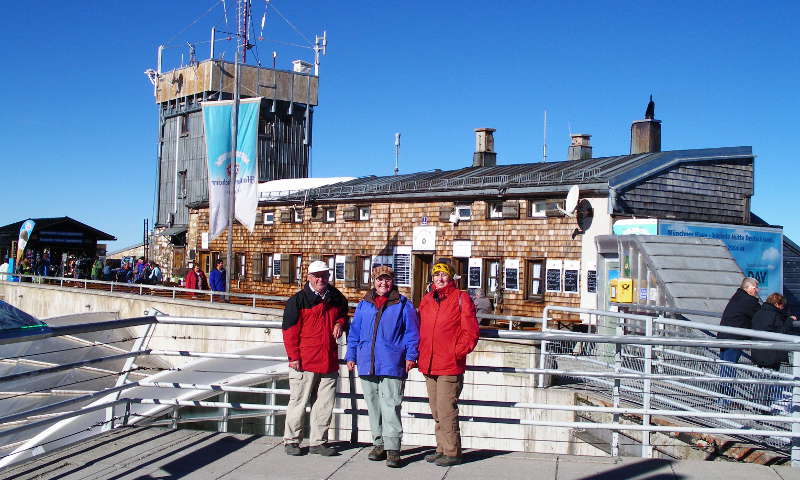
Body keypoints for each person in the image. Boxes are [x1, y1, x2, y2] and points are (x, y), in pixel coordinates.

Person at [346, 265, 419, 468]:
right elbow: (355, 333)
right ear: (374, 281)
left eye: (387, 279)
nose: (383, 283)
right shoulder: (364, 304)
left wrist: (411, 356)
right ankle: (379, 444)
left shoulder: (403, 304)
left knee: (391, 405)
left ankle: (393, 448)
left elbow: (412, 333)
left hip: (392, 361)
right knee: (373, 405)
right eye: (379, 279)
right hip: (367, 362)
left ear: (392, 281)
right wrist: (351, 354)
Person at [282, 260, 348, 457]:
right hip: (304, 361)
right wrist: (293, 357)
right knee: (298, 402)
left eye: (325, 275)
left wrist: (340, 322)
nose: (321, 279)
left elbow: (344, 314)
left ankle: (318, 441)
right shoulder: (298, 300)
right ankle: (292, 440)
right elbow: (289, 331)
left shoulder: (336, 297)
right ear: (309, 277)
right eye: (317, 275)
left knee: (324, 404)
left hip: (328, 359)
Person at [417, 262, 480, 467]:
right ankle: (441, 448)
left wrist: (456, 352)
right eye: (437, 275)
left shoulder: (461, 298)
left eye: (444, 275)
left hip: (449, 364)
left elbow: (470, 332)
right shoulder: (427, 300)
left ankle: (453, 451)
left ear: (451, 277)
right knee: (436, 410)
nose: (440, 279)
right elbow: (420, 328)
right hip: (429, 362)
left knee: (446, 409)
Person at [717, 277, 761, 401]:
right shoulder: (749, 301)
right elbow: (761, 315)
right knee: (729, 369)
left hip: (724, 336)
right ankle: (726, 400)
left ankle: (722, 399)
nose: (757, 290)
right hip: (734, 338)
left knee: (725, 368)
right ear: (748, 288)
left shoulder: (737, 296)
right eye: (755, 288)